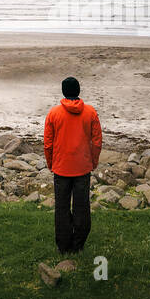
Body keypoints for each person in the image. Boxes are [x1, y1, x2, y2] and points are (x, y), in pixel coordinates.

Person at [42, 76, 103, 255]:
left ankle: (63, 246)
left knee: (61, 207)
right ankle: (78, 244)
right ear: (78, 91)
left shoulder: (53, 113)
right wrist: (94, 160)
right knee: (82, 206)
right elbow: (97, 141)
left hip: (61, 167)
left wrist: (50, 162)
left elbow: (48, 143)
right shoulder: (90, 112)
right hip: (82, 167)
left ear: (63, 92)